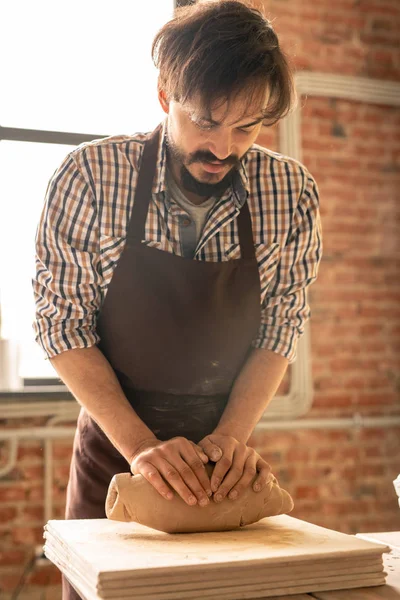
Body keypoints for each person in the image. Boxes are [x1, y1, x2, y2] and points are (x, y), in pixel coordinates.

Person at [32, 1, 322, 598]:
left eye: (247, 128)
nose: (223, 148)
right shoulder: (88, 177)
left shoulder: (290, 193)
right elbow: (61, 327)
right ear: (166, 95)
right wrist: (141, 449)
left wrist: (233, 440)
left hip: (225, 460)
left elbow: (281, 327)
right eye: (207, 122)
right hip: (115, 453)